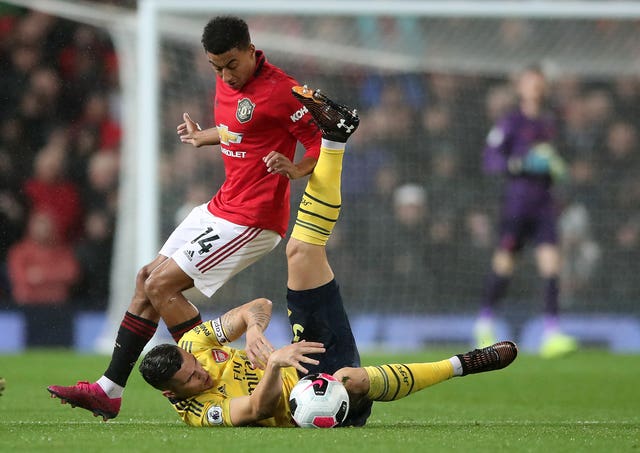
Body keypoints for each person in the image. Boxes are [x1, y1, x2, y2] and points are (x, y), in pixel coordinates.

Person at [137, 86, 518, 427]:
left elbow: (258, 306)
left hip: (301, 356)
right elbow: (258, 409)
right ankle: (462, 365)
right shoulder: (203, 413)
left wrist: (252, 329)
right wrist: (273, 364)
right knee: (350, 379)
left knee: (300, 251)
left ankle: (334, 139)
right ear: (173, 395)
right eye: (190, 380)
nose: (201, 374)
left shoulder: (194, 348)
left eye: (193, 368)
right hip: (312, 400)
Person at [47, 16, 323, 420]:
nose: (225, 75)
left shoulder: (283, 91)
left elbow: (322, 142)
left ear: (250, 50)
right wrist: (205, 136)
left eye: (231, 64)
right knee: (146, 278)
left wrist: (296, 170)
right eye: (216, 67)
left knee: (162, 284)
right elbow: (240, 130)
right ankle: (108, 390)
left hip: (253, 218)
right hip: (223, 205)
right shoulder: (227, 80)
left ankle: (214, 371)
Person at [474, 65, 577, 358]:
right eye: (530, 82)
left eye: (539, 82)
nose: (535, 87)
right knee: (504, 265)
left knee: (551, 265)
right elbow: (490, 160)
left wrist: (558, 166)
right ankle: (485, 322)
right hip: (517, 205)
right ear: (520, 87)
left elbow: (562, 160)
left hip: (544, 204)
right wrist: (520, 164)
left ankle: (552, 333)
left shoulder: (552, 121)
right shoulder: (510, 122)